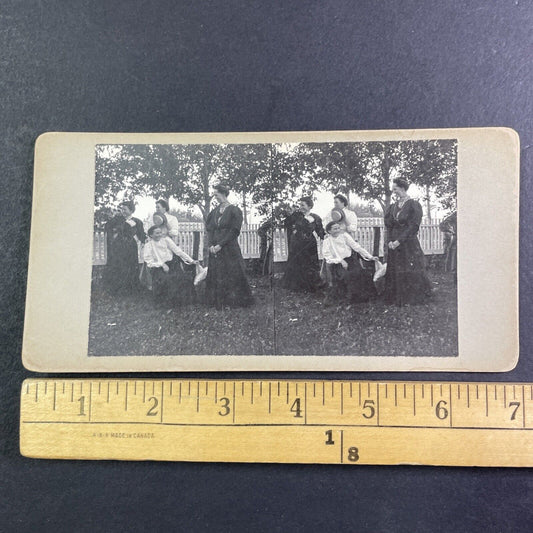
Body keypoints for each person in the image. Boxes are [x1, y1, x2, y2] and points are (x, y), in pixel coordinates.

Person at [383, 178, 432, 305]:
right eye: (393, 189)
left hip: (407, 243)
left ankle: (410, 298)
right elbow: (389, 226)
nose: (394, 192)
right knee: (395, 269)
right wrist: (390, 241)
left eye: (396, 189)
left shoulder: (413, 205)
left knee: (409, 268)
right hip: (393, 244)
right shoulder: (393, 207)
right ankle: (396, 297)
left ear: (403, 188)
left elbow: (413, 227)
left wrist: (399, 241)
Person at [205, 183, 254, 309]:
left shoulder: (234, 210)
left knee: (232, 273)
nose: (215, 197)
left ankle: (233, 301)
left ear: (223, 194)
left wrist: (220, 245)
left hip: (229, 247)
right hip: (215, 248)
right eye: (214, 195)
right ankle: (217, 301)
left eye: (216, 195)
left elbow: (234, 231)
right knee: (217, 273)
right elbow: (209, 230)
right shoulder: (214, 212)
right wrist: (211, 245)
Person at [322, 221, 379, 305]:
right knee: (346, 275)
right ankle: (348, 298)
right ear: (329, 231)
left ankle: (362, 298)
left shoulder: (344, 236)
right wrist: (340, 261)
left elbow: (357, 247)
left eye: (338, 228)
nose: (338, 230)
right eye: (335, 229)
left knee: (359, 273)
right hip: (337, 263)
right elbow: (328, 256)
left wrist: (370, 257)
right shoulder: (327, 241)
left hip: (350, 260)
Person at [143, 225, 197, 307]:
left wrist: (191, 260)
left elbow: (179, 252)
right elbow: (149, 261)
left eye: (160, 232)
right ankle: (166, 303)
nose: (159, 235)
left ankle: (183, 301)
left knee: (181, 278)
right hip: (157, 267)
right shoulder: (148, 245)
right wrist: (162, 264)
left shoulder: (166, 240)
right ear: (151, 235)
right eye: (157, 233)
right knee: (166, 279)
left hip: (172, 264)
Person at [282, 196, 326, 292]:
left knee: (310, 264)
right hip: (297, 244)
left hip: (310, 244)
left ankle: (311, 286)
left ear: (309, 206)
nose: (301, 207)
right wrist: (290, 213)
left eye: (303, 205)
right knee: (297, 263)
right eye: (300, 205)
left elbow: (320, 231)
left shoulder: (315, 217)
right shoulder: (296, 216)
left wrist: (324, 237)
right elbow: (286, 223)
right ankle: (297, 286)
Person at [104, 200, 146, 294]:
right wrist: (115, 217)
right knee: (119, 266)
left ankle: (131, 289)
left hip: (131, 247)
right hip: (118, 248)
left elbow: (141, 235)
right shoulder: (117, 220)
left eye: (125, 209)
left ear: (131, 210)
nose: (123, 211)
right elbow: (107, 227)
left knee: (131, 266)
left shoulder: (137, 221)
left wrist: (142, 241)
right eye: (122, 209)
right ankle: (118, 289)